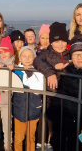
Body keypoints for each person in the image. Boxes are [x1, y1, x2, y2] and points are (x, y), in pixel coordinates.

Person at [33, 22, 70, 151]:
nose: (60, 44)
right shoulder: (46, 53)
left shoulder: (69, 55)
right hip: (51, 99)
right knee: (52, 128)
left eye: (63, 41)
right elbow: (37, 61)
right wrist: (51, 72)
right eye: (56, 40)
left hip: (67, 100)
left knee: (62, 133)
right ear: (51, 41)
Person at [12, 46, 44, 151]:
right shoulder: (16, 70)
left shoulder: (38, 71)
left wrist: (30, 74)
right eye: (24, 56)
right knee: (18, 138)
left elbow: (38, 88)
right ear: (20, 57)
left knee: (31, 137)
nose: (27, 58)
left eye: (30, 56)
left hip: (33, 109)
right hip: (19, 109)